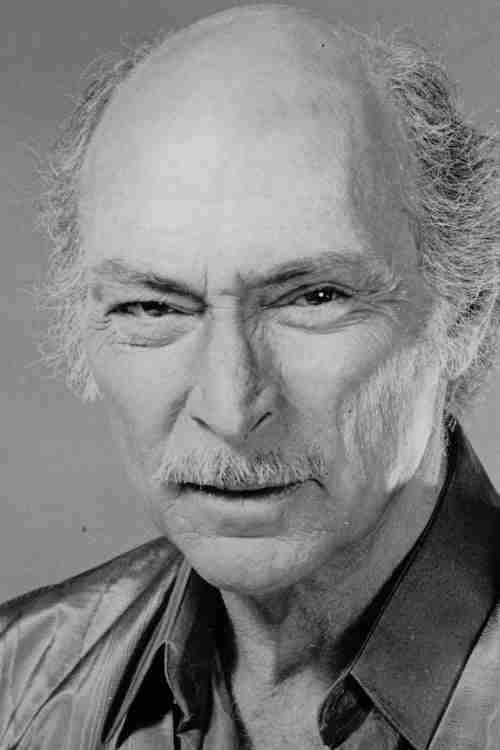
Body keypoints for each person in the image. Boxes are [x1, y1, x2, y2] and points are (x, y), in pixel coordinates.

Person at [2, 3, 500, 748]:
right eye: (152, 306)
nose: (230, 409)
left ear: (465, 316)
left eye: (314, 297)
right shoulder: (16, 677)